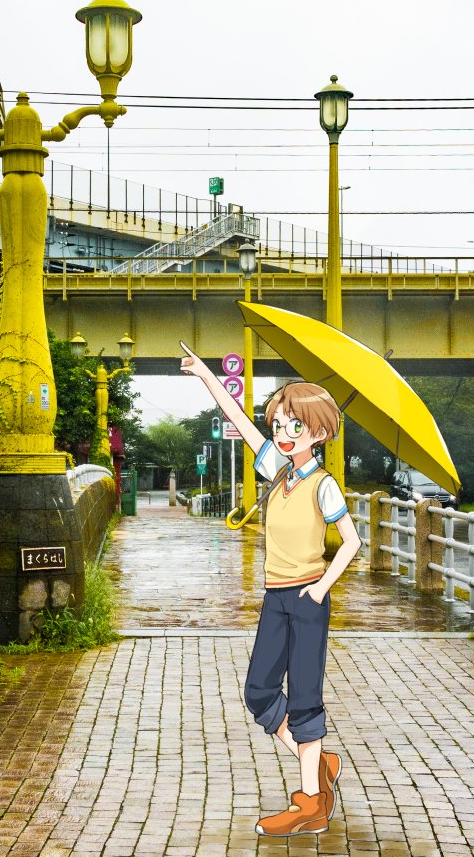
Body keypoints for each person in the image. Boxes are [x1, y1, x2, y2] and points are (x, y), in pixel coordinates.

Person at [180, 341, 361, 838]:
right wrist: (203, 374)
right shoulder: (277, 473)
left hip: (305, 598)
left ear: (320, 432)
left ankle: (310, 804)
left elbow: (351, 542)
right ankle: (321, 765)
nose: (282, 433)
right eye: (279, 424)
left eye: (294, 426)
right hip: (275, 596)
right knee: (259, 692)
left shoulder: (322, 484)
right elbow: (238, 420)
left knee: (304, 700)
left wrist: (322, 588)